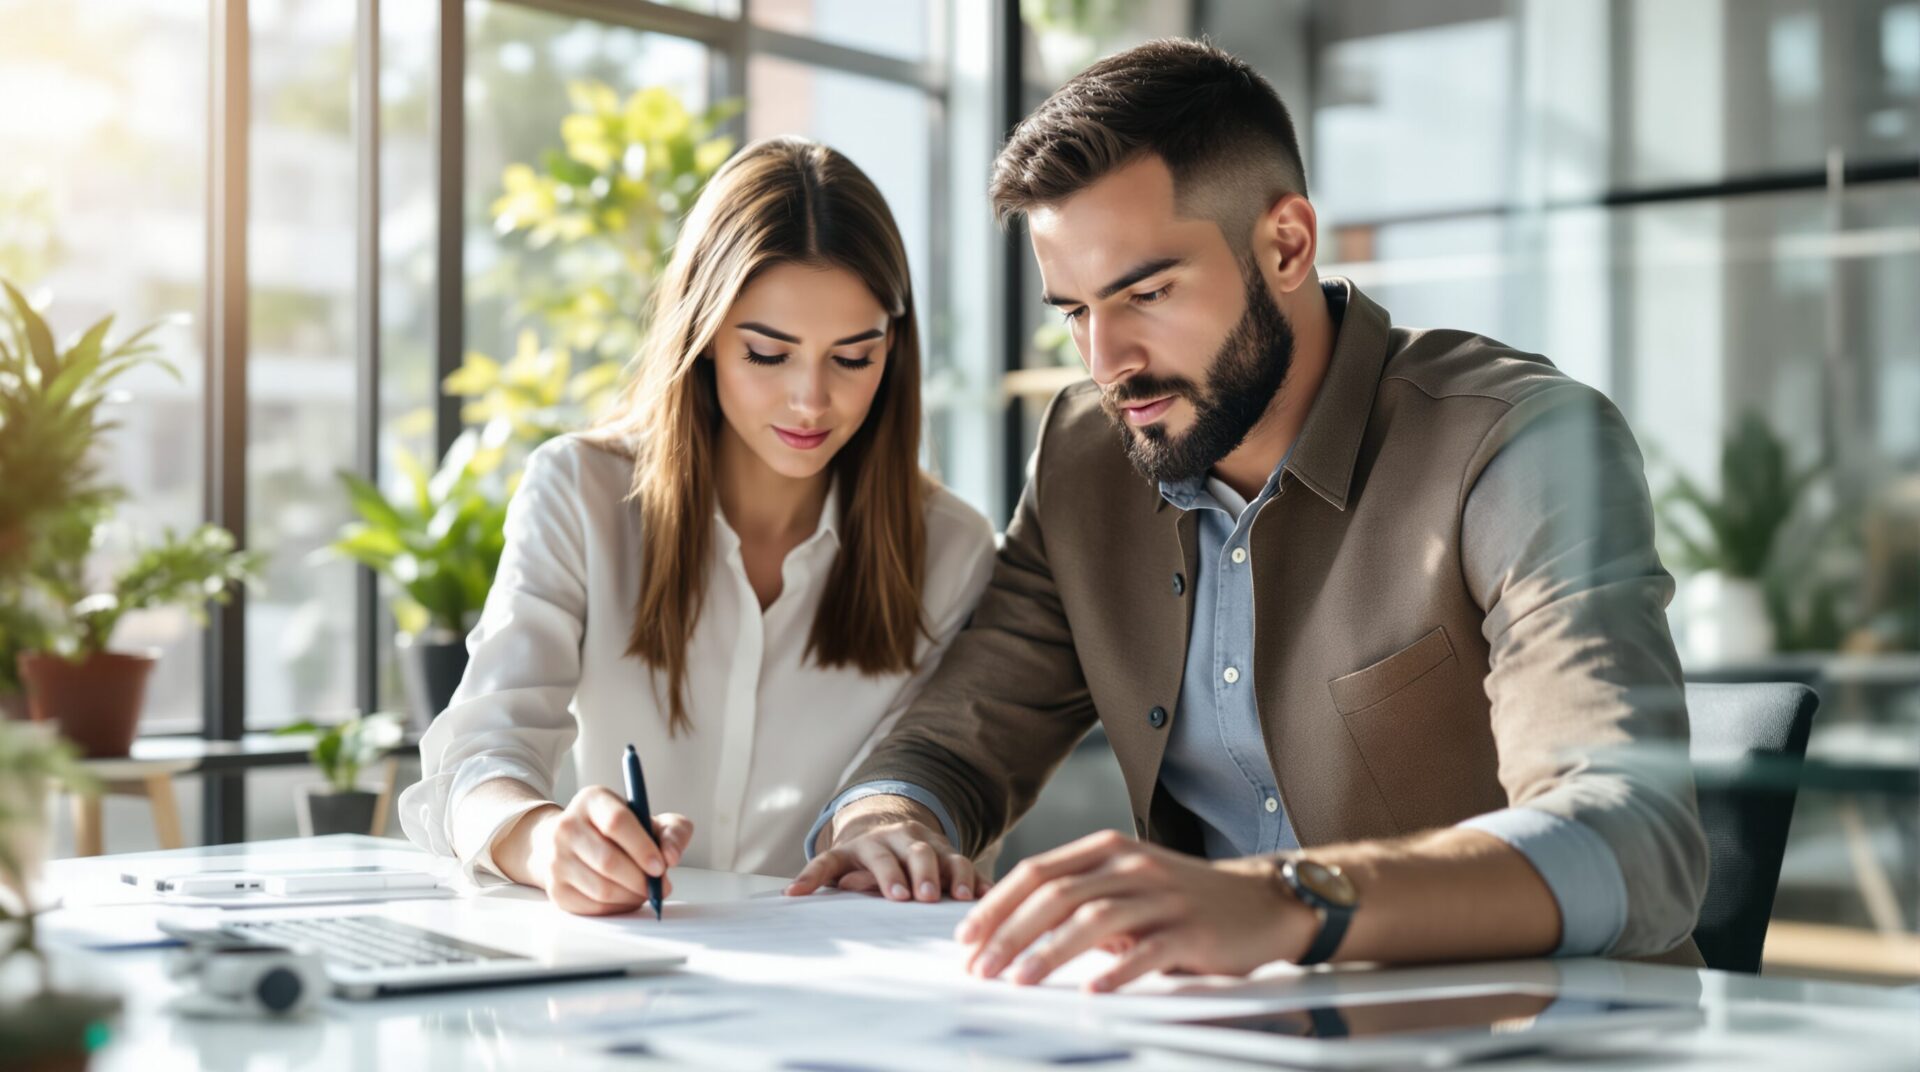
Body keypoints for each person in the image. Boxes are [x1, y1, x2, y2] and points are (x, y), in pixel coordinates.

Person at [789, 40, 1709, 988]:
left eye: (1147, 293)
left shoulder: (1518, 443)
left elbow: (1634, 841)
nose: (1107, 361)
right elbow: (955, 738)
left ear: (1286, 245)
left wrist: (1285, 901)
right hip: (1227, 1036)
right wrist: (888, 825)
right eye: (1074, 310)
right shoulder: (1086, 460)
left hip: (1526, 1039)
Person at [400, 137, 996, 916]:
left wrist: (893, 836)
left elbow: (912, 781)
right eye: (767, 354)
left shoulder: (950, 549)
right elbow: (477, 755)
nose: (811, 402)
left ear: (895, 348)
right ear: (705, 336)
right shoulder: (581, 492)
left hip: (836, 973)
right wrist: (546, 842)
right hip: (621, 967)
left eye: (853, 358)